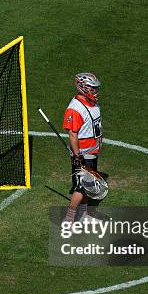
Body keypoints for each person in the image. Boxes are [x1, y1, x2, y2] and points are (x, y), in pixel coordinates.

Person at [62, 72, 103, 223]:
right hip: (83, 154)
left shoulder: (93, 103)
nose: (95, 91)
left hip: (92, 152)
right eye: (92, 88)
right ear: (83, 88)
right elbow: (73, 134)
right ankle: (69, 219)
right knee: (80, 188)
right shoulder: (75, 109)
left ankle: (84, 215)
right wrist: (77, 155)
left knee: (87, 185)